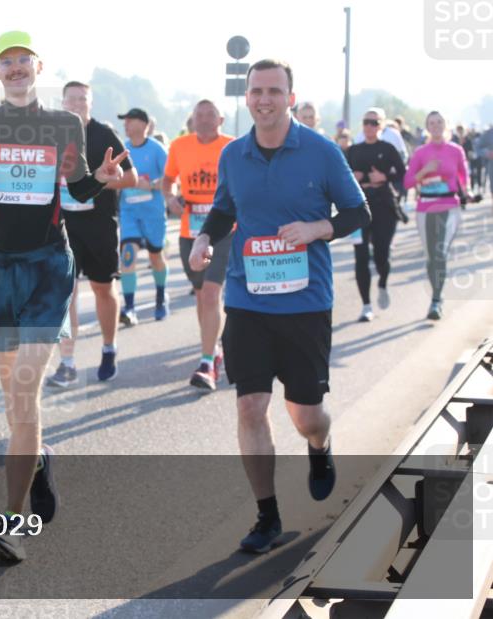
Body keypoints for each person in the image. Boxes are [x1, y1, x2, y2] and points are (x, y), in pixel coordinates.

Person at [0, 31, 125, 562]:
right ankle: (39, 458)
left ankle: (10, 522)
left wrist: (100, 179)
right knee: (17, 407)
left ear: (39, 66)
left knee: (25, 395)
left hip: (47, 269)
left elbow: (76, 188)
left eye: (23, 61)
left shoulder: (64, 124)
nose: (15, 69)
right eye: (5, 63)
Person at [189, 59, 369, 554]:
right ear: (246, 98)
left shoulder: (321, 152)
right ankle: (266, 516)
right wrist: (205, 237)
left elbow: (358, 211)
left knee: (306, 414)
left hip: (306, 303)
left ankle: (319, 446)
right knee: (250, 406)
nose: (264, 99)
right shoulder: (234, 155)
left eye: (274, 91)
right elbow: (226, 207)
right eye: (256, 91)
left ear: (290, 97)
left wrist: (315, 229)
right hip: (247, 298)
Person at [45, 81, 136, 388]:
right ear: (62, 103)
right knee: (64, 293)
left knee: (102, 289)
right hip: (62, 227)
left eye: (82, 99)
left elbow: (132, 178)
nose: (77, 104)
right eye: (71, 99)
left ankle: (109, 349)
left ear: (90, 104)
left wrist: (95, 182)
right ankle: (67, 363)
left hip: (99, 225)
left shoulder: (104, 134)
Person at [162, 100, 233, 391]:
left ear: (221, 119)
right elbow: (168, 181)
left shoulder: (232, 147)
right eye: (199, 115)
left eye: (210, 115)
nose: (204, 120)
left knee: (211, 293)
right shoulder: (180, 146)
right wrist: (171, 198)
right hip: (190, 229)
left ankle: (206, 362)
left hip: (224, 230)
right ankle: (214, 347)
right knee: (202, 293)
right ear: (192, 119)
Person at [404, 111, 470, 321]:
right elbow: (407, 183)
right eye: (431, 123)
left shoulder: (456, 150)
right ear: (427, 127)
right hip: (425, 208)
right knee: (431, 256)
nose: (436, 126)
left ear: (445, 125)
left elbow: (463, 174)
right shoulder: (421, 152)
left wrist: (466, 191)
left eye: (439, 122)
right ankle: (436, 295)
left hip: (449, 206)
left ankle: (436, 299)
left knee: (440, 253)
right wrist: (425, 172)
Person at [345, 108, 406, 322]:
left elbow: (402, 176)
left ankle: (382, 283)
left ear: (381, 126)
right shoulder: (353, 150)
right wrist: (354, 177)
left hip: (384, 207)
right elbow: (341, 178)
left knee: (381, 255)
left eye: (374, 122)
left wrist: (385, 177)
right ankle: (366, 305)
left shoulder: (388, 149)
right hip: (360, 209)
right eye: (366, 122)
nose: (369, 126)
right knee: (360, 256)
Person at [117, 107, 170, 325]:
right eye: (124, 121)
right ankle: (129, 308)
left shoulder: (158, 150)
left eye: (129, 121)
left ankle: (160, 297)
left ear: (142, 124)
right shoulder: (123, 150)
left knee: (156, 257)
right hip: (129, 214)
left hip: (153, 215)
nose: (125, 125)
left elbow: (170, 180)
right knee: (127, 256)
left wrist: (152, 185)